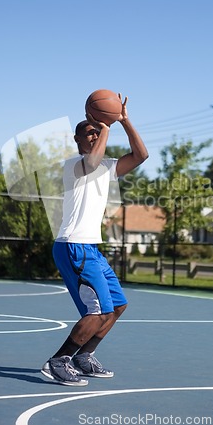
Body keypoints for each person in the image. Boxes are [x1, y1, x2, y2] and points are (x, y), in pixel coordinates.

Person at [41, 94, 148, 386]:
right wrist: (106, 126)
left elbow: (141, 156)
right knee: (96, 311)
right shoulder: (75, 165)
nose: (95, 133)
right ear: (77, 139)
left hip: (91, 248)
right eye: (89, 131)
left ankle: (83, 356)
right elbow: (92, 160)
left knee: (117, 307)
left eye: (97, 131)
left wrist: (124, 121)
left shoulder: (106, 167)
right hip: (73, 246)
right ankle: (58, 361)